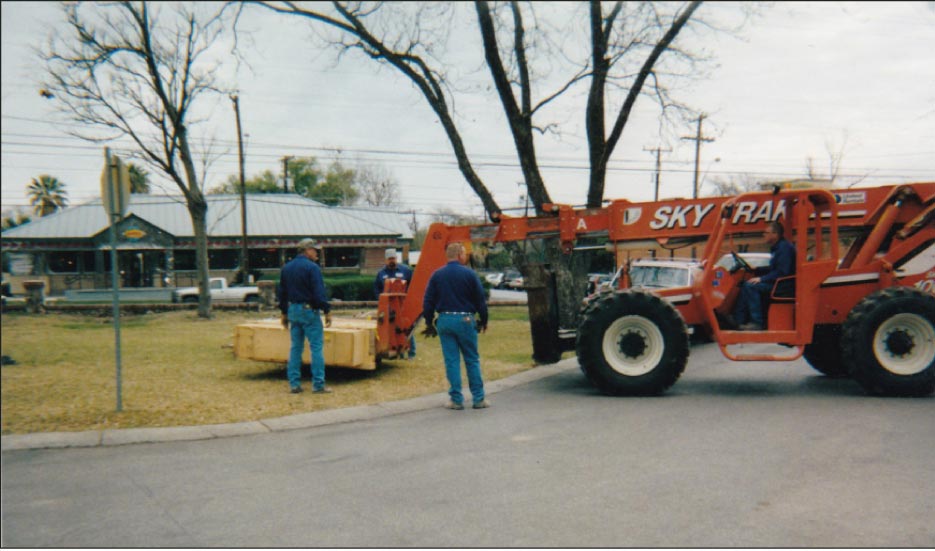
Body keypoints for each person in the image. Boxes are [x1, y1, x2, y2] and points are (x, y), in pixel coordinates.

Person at [422, 243, 489, 410]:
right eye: (465, 254)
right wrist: (484, 320)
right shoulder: (470, 274)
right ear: (459, 254)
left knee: (451, 361)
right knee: (471, 359)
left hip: (444, 320)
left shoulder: (437, 275)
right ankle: (478, 399)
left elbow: (428, 301)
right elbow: (480, 300)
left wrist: (429, 322)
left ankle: (456, 399)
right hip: (465, 319)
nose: (466, 256)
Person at [279, 238, 332, 394]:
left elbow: (282, 293)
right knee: (316, 347)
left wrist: (283, 313)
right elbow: (319, 293)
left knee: (296, 347)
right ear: (307, 250)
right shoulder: (312, 268)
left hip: (293, 309)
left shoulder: (286, 268)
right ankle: (318, 384)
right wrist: (327, 310)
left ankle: (294, 384)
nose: (317, 253)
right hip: (309, 310)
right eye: (315, 250)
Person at [732, 221, 796, 331]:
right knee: (745, 285)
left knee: (751, 286)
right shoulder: (777, 248)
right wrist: (757, 270)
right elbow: (773, 268)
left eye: (766, 232)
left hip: (783, 285)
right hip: (779, 283)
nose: (763, 235)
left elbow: (782, 271)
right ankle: (738, 320)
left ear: (775, 234)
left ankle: (757, 323)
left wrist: (761, 278)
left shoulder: (784, 248)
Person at [373, 248, 417, 358]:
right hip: (388, 306)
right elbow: (376, 289)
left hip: (403, 305)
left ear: (396, 258)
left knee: (406, 327)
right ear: (386, 260)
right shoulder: (381, 273)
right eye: (389, 259)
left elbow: (413, 286)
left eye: (393, 258)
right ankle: (397, 351)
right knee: (391, 328)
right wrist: (381, 302)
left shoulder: (405, 271)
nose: (391, 261)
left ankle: (411, 352)